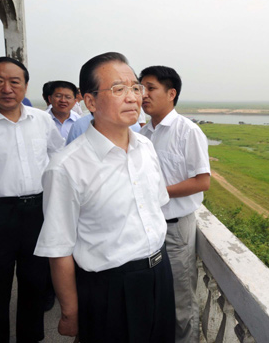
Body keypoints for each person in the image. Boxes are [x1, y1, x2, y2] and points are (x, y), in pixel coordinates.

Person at [34, 52, 175, 343]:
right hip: (109, 288)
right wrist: (70, 312)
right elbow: (59, 249)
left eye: (136, 87)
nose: (133, 97)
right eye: (118, 89)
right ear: (90, 101)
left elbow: (156, 207)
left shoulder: (146, 148)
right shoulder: (66, 167)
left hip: (160, 274)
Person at [0, 56, 65, 342]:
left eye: (14, 81)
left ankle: (30, 338)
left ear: (25, 85)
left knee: (35, 283)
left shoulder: (41, 120)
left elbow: (58, 157)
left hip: (36, 212)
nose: (6, 88)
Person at [140, 65, 210, 343]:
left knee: (182, 300)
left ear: (171, 93)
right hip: (148, 228)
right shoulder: (143, 134)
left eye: (150, 88)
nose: (142, 94)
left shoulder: (187, 131)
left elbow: (202, 181)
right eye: (139, 88)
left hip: (176, 229)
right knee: (154, 296)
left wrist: (157, 194)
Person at [66, 107, 146, 145]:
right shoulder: (79, 125)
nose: (130, 98)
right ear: (91, 101)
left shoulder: (146, 145)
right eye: (118, 90)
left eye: (135, 89)